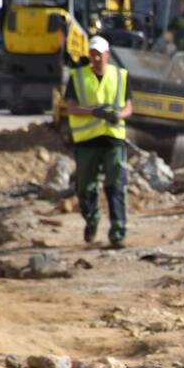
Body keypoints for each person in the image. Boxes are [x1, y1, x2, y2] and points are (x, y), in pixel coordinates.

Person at [63, 35, 133, 248]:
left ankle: (118, 231)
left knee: (116, 185)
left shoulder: (120, 76)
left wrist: (118, 115)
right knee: (85, 188)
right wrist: (94, 112)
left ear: (107, 54)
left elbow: (129, 106)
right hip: (87, 142)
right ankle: (91, 221)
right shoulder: (78, 77)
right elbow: (71, 107)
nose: (95, 58)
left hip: (113, 140)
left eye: (99, 54)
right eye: (92, 54)